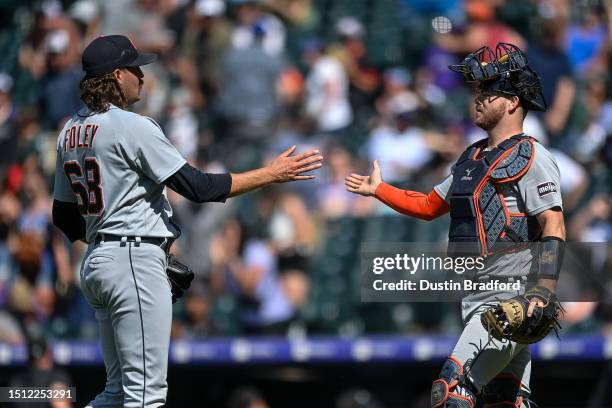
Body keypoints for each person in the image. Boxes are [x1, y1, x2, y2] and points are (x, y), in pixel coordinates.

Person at [51, 35, 322, 408]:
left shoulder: (69, 131)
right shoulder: (132, 125)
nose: (142, 77)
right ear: (116, 75)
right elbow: (199, 187)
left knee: (116, 392)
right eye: (135, 69)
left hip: (98, 262)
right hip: (133, 258)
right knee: (146, 395)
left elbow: (63, 216)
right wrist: (271, 174)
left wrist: (106, 240)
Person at [345, 43, 565, 407]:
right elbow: (430, 205)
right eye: (477, 89)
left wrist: (543, 290)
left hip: (508, 297)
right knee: (505, 400)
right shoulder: (472, 157)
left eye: (489, 89)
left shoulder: (531, 155)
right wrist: (379, 190)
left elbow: (554, 224)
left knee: (452, 389)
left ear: (512, 102)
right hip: (475, 296)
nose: (477, 97)